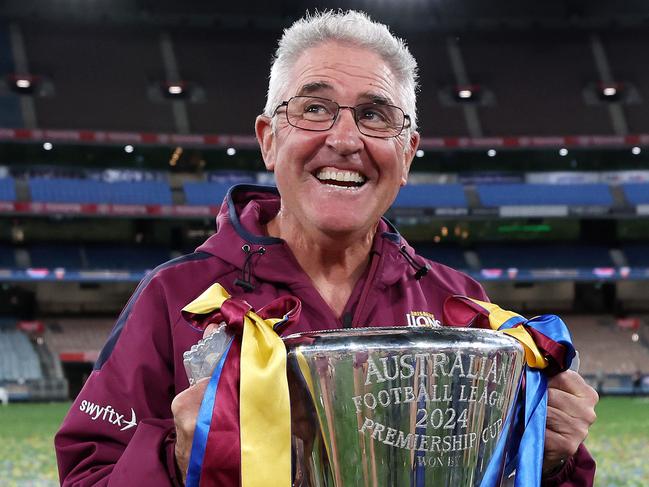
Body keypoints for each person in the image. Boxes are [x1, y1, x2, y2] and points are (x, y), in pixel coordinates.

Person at [55, 10, 598, 486]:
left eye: (375, 115)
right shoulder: (174, 299)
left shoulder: (463, 308)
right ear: (269, 139)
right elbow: (88, 476)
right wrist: (176, 458)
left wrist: (553, 462)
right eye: (314, 108)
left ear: (406, 154)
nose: (344, 139)